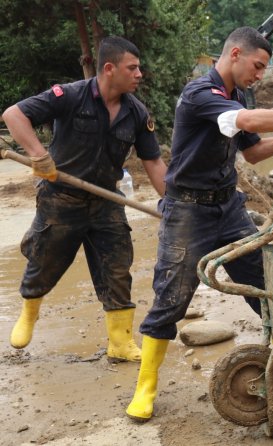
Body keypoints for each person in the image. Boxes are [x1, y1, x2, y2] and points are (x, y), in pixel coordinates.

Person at [125, 26, 273, 421]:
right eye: (258, 66)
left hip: (228, 208)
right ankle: (146, 387)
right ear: (234, 55)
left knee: (264, 284)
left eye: (264, 68)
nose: (260, 75)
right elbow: (244, 122)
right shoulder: (200, 94)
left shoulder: (238, 94)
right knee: (171, 298)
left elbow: (255, 153)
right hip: (188, 212)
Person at [2, 36, 168, 363]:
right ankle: (29, 312)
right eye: (132, 68)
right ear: (109, 69)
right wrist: (38, 154)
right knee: (44, 261)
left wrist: (173, 205)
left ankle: (119, 341)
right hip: (60, 198)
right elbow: (13, 115)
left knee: (117, 268)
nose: (139, 74)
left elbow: (154, 163)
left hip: (106, 202)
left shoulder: (136, 113)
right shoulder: (70, 96)